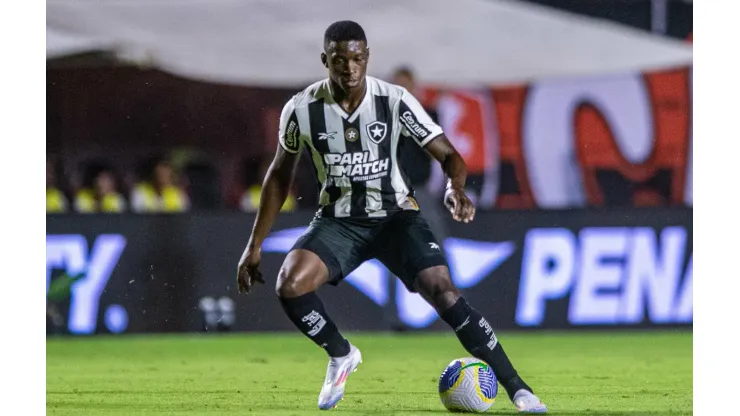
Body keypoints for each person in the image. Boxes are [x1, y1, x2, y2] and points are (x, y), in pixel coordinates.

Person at [236, 21, 547, 413]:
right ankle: (341, 354)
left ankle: (519, 389)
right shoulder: (301, 109)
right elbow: (280, 175)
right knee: (289, 284)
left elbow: (450, 155)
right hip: (340, 220)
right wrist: (255, 243)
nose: (349, 68)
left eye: (357, 59)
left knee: (443, 290)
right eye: (339, 60)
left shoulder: (394, 100)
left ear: (367, 58)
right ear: (324, 60)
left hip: (396, 216)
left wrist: (455, 188)